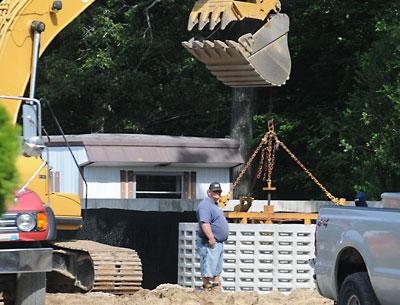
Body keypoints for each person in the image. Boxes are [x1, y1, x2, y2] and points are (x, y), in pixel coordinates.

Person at [196, 182, 229, 291]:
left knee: (216, 268)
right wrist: (211, 238)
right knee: (208, 266)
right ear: (209, 192)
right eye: (215, 191)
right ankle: (207, 288)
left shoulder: (215, 205)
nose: (217, 193)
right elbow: (205, 223)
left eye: (219, 191)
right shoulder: (205, 205)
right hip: (209, 242)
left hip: (217, 242)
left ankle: (215, 288)